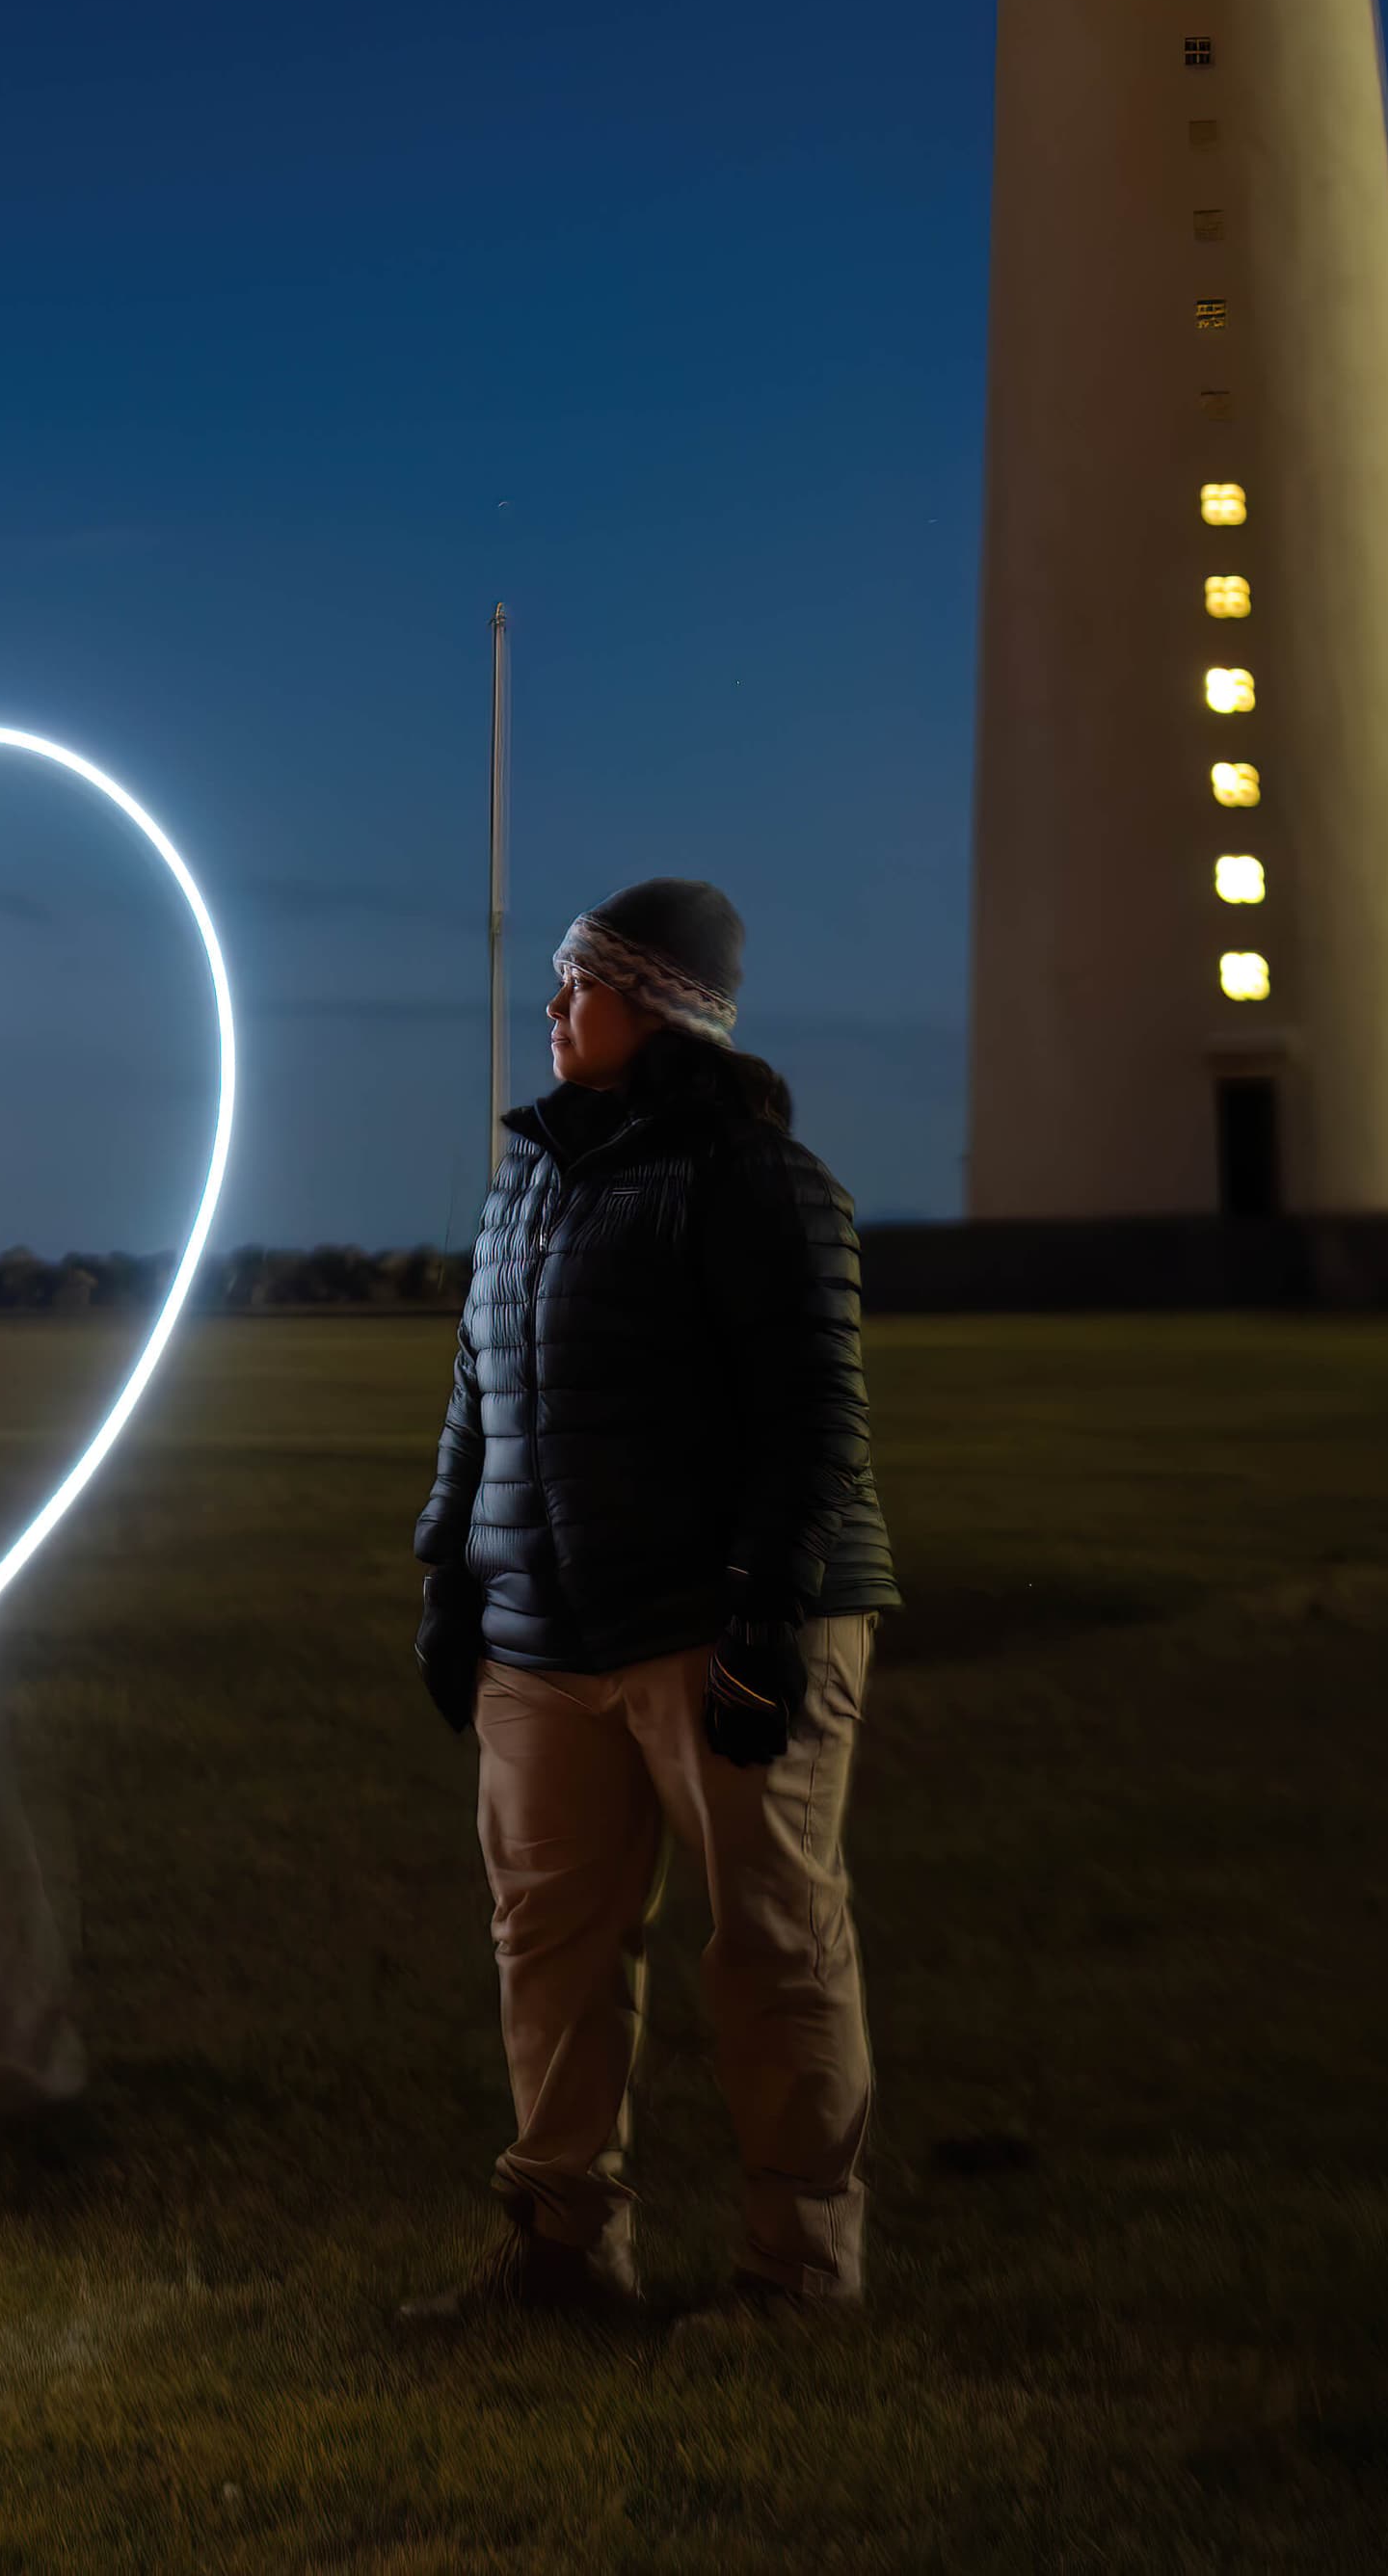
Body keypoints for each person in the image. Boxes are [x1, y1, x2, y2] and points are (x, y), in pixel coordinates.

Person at [402, 875, 895, 2334]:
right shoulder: (530, 1180)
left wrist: (765, 1613)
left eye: (579, 983)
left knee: (773, 1936)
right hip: (543, 1631)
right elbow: (477, 1395)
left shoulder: (757, 1179)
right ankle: (562, 2249)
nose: (551, 1009)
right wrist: (449, 1569)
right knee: (547, 1938)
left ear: (659, 1003)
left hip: (715, 1623)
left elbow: (815, 1416)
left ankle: (801, 2273)